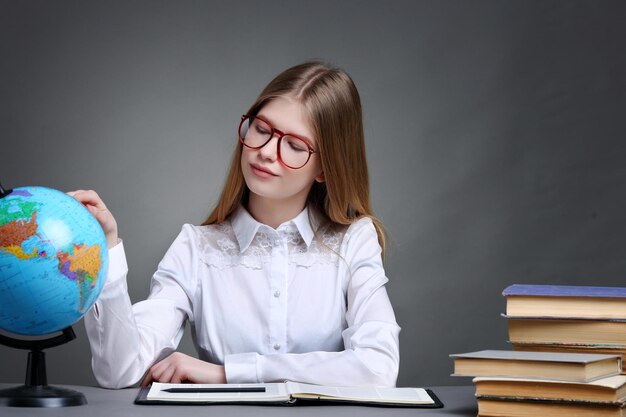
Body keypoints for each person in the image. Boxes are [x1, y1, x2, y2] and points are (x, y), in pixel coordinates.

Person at [70, 61, 401, 389]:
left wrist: (228, 373)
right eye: (261, 129)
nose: (267, 152)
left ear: (325, 169)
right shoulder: (196, 247)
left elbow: (378, 367)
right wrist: (106, 252)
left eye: (295, 146)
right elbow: (120, 371)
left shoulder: (353, 240)